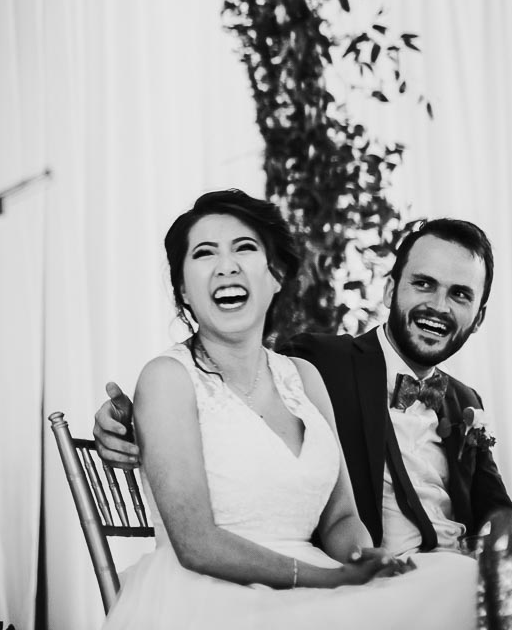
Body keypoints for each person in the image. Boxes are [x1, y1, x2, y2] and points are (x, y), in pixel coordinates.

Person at [100, 190, 478, 630]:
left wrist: (362, 558)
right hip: (209, 594)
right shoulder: (166, 377)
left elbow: (341, 517)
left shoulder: (304, 376)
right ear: (183, 288)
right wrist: (325, 579)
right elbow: (196, 545)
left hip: (317, 584)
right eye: (204, 254)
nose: (226, 265)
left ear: (275, 276)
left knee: (464, 579)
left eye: (244, 248)